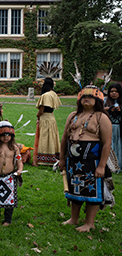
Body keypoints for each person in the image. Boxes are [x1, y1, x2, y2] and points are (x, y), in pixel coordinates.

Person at [59, 85, 114, 232]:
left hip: (92, 161)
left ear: (98, 100)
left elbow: (107, 143)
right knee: (75, 189)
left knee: (91, 192)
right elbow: (64, 138)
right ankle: (74, 219)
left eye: (91, 97)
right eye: (84, 96)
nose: (87, 99)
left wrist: (102, 166)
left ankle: (90, 223)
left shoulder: (101, 117)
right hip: (73, 161)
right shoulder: (73, 115)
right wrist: (62, 158)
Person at [0, 121, 24, 226]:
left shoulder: (15, 148)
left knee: (9, 199)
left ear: (11, 135)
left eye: (8, 135)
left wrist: (19, 170)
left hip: (9, 177)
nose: (6, 137)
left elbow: (19, 161)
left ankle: (7, 220)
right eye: (3, 135)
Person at [33, 77, 62, 166]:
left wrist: (37, 115)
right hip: (52, 118)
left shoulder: (45, 96)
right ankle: (54, 155)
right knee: (52, 137)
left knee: (44, 138)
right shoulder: (53, 94)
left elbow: (41, 110)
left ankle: (45, 158)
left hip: (45, 118)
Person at [104, 83, 122, 172]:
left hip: (119, 128)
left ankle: (118, 164)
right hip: (108, 128)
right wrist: (109, 109)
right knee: (109, 145)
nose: (114, 93)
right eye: (111, 91)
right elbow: (98, 110)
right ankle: (109, 165)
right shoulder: (105, 101)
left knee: (119, 145)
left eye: (116, 91)